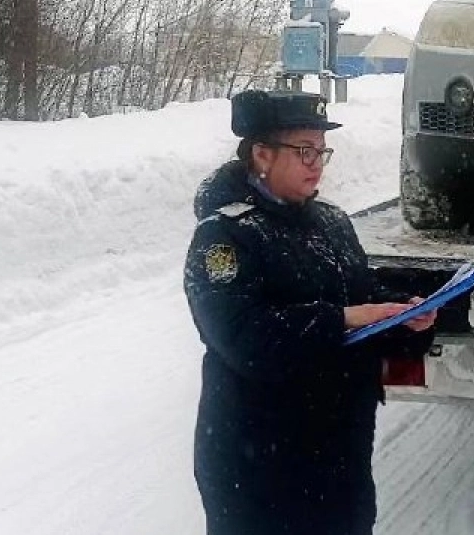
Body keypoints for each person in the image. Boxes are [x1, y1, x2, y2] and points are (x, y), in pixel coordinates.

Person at [184, 89, 435, 535]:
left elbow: (359, 296)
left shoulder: (331, 222)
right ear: (261, 154)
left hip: (339, 460)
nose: (316, 163)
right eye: (304, 151)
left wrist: (404, 319)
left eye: (322, 151)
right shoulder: (224, 237)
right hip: (259, 466)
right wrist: (342, 318)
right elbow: (247, 340)